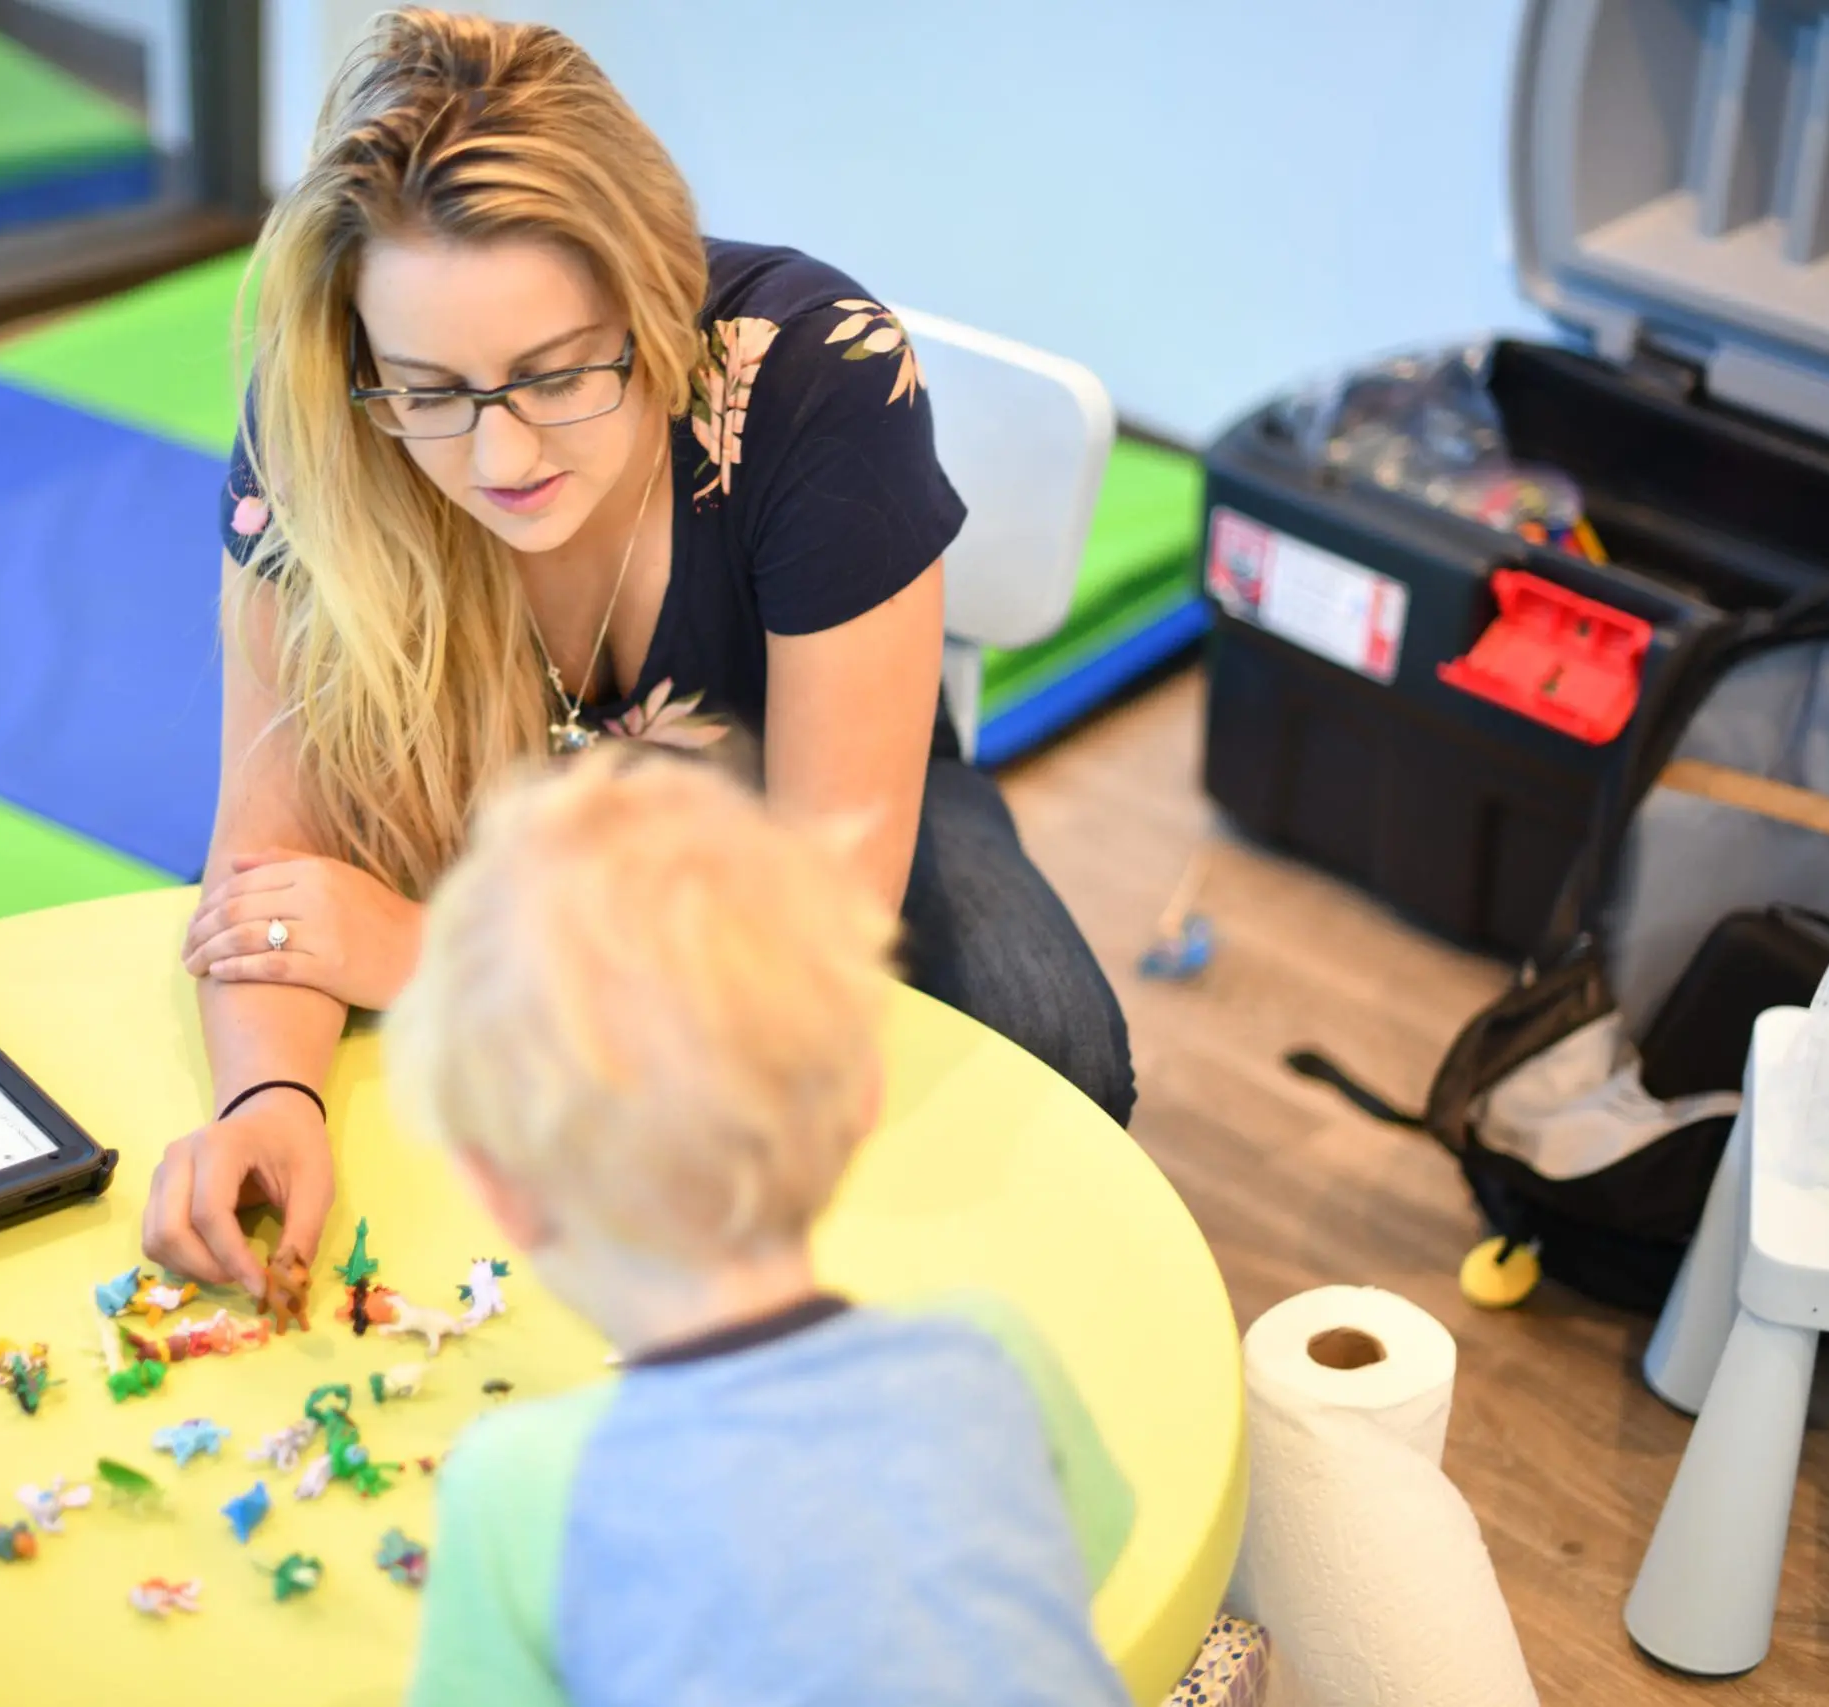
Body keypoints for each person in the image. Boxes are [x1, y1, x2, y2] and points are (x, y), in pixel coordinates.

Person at [145, 8, 1133, 1286]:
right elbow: (270, 867)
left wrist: (431, 957)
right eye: (432, 394)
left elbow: (817, 929)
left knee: (1044, 1043)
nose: (502, 458)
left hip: (792, 814)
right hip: (469, 818)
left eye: (558, 375)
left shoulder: (814, 373)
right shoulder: (321, 419)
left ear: (653, 294)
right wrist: (266, 1102)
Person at [383, 752, 1137, 1707]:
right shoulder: (997, 1355)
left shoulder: (520, 1494)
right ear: (865, 1092)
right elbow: (1078, 1579)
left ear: (498, 1191)